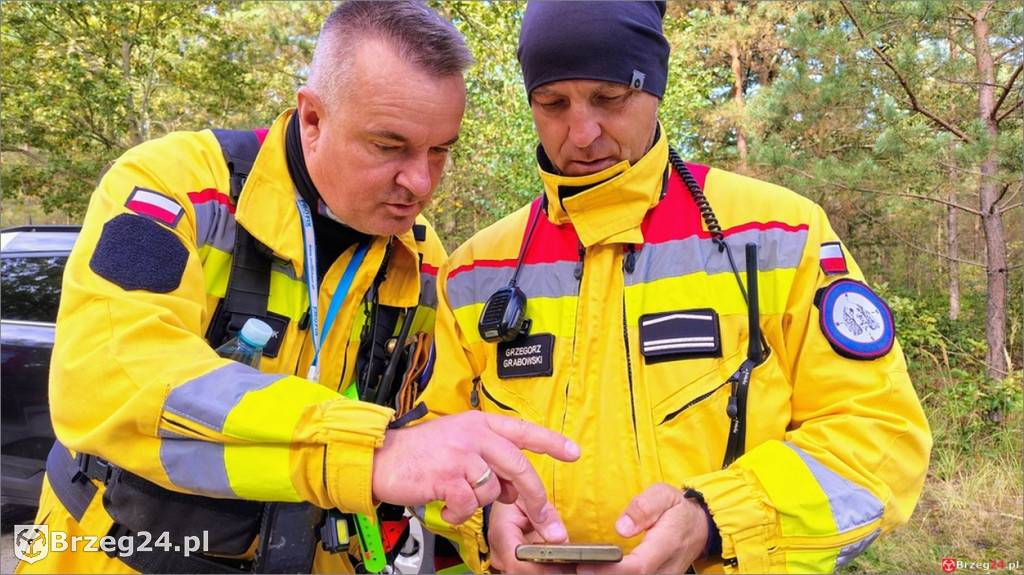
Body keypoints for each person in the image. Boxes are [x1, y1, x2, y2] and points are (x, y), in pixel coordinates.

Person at [17, 3, 579, 574]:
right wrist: (366, 450)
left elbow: (426, 433)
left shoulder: (422, 260)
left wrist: (481, 519)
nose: (420, 181)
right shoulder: (179, 186)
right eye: (390, 146)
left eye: (440, 151)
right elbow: (107, 375)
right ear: (312, 119)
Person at [417, 2, 933, 573]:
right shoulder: (472, 272)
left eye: (610, 98)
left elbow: (879, 440)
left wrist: (715, 523)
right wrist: (484, 522)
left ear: (656, 88)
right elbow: (431, 445)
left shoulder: (780, 236)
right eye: (553, 103)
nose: (582, 133)